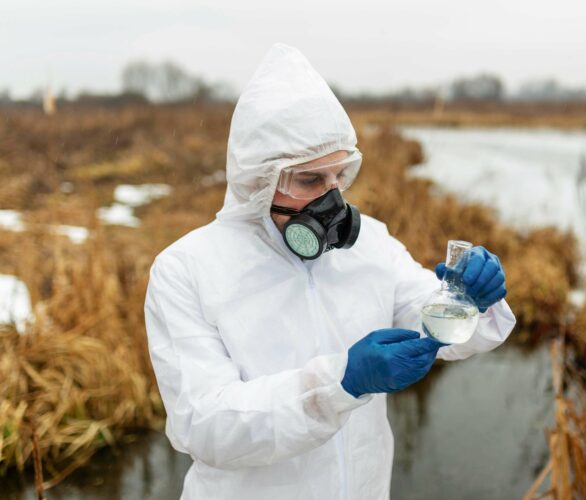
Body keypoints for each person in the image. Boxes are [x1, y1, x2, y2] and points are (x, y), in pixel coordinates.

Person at [144, 43, 516, 500]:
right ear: (259, 181)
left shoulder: (370, 244)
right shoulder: (187, 270)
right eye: (309, 181)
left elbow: (435, 324)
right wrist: (339, 383)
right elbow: (206, 425)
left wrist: (472, 299)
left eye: (338, 176)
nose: (332, 199)